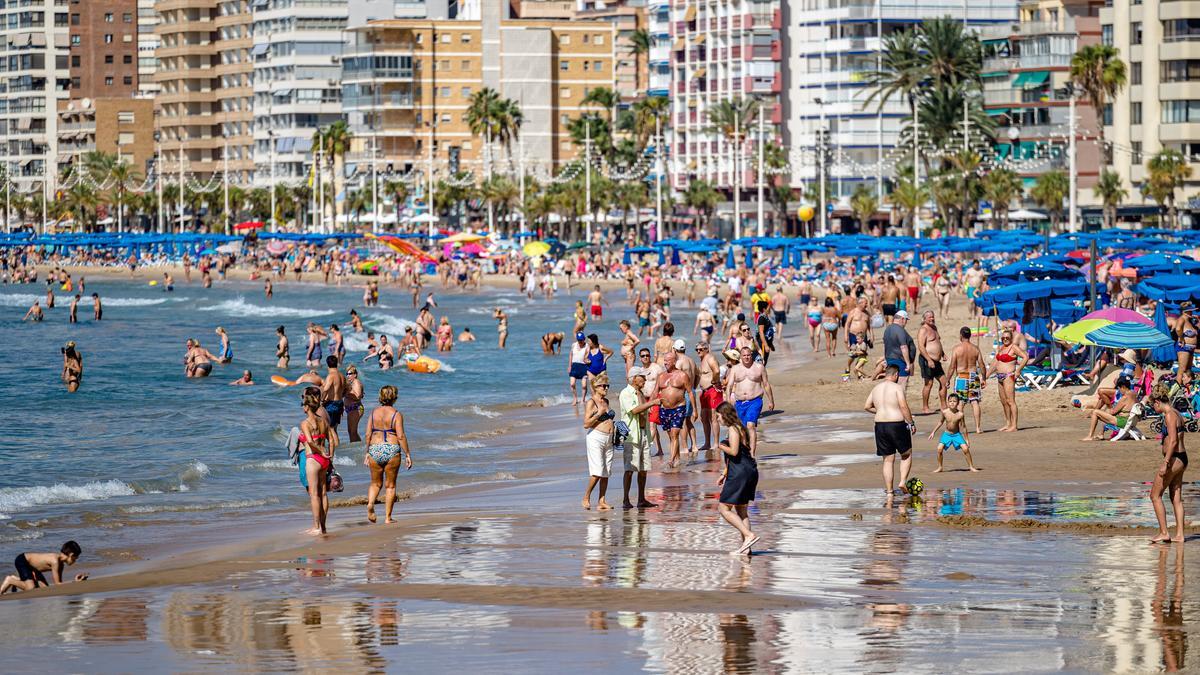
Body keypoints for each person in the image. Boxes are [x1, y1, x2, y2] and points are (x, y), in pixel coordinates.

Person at [715, 402, 760, 556]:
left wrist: (721, 446)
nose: (717, 419)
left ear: (725, 415)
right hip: (749, 470)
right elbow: (742, 453)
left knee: (723, 508)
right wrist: (724, 474)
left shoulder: (733, 429)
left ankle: (748, 535)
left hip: (740, 473)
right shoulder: (741, 428)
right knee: (742, 511)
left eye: (718, 416)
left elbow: (733, 452)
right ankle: (746, 547)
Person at [363, 385, 412, 524]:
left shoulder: (373, 413)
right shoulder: (396, 414)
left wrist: (367, 452)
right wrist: (407, 454)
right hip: (391, 448)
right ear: (394, 397)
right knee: (390, 486)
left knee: (375, 483)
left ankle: (370, 503)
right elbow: (401, 436)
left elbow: (367, 434)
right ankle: (388, 518)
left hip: (375, 448)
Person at [1147, 382, 1188, 544]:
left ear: (1157, 402)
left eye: (1153, 405)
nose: (1153, 408)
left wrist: (1165, 462)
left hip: (1174, 459)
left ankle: (1164, 532)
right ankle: (1180, 535)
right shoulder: (1177, 413)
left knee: (1154, 495)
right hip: (1182, 458)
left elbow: (1172, 441)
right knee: (1176, 498)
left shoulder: (1169, 415)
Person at [865, 364, 915, 495]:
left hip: (880, 425)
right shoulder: (897, 387)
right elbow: (903, 407)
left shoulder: (876, 388)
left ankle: (889, 491)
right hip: (896, 424)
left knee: (887, 459)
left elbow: (867, 406)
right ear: (896, 375)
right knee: (906, 453)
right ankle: (903, 481)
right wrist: (911, 423)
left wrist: (881, 410)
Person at [620, 368, 660, 509]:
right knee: (630, 469)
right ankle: (625, 500)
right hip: (631, 435)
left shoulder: (641, 393)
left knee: (644, 469)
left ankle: (641, 499)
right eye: (642, 377)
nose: (645, 379)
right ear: (634, 378)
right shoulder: (625, 393)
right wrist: (652, 403)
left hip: (643, 433)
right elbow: (635, 410)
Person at [725, 346, 774, 457]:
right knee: (742, 429)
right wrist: (728, 401)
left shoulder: (759, 367)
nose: (746, 357)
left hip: (755, 401)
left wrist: (771, 400)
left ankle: (752, 453)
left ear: (751, 355)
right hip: (739, 403)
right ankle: (744, 452)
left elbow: (766, 384)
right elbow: (729, 386)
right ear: (740, 357)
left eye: (748, 355)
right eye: (744, 355)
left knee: (751, 426)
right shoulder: (735, 369)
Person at [299, 388, 336, 535]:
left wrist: (320, 451)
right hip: (324, 460)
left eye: (303, 404)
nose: (302, 407)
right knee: (323, 493)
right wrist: (329, 455)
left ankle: (316, 527)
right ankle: (323, 526)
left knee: (314, 494)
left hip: (313, 459)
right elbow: (332, 440)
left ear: (307, 407)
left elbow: (309, 441)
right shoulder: (322, 421)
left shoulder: (305, 423)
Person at [652, 351, 696, 468]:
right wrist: (650, 406)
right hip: (664, 409)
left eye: (668, 360)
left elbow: (690, 393)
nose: (665, 362)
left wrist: (695, 410)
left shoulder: (682, 375)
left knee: (675, 434)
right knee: (670, 435)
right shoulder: (661, 376)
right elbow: (655, 392)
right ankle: (677, 458)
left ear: (674, 361)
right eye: (664, 360)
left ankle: (671, 460)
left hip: (679, 408)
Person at [582, 374, 616, 510]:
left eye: (607, 385)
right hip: (596, 437)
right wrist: (598, 413)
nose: (606, 388)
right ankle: (586, 496)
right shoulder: (591, 402)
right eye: (603, 386)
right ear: (595, 387)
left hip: (609, 439)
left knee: (606, 471)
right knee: (597, 471)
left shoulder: (606, 401)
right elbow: (586, 424)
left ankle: (602, 501)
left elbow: (608, 419)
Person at [0, 541, 86, 594]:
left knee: (44, 590)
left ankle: (16, 579)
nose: (75, 561)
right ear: (71, 555)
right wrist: (75, 582)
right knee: (30, 588)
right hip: (23, 561)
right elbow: (58, 585)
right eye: (75, 558)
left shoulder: (61, 565)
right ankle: (10, 580)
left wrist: (75, 582)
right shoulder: (55, 561)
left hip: (33, 569)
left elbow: (59, 584)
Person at [946, 326, 987, 434]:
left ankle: (959, 428)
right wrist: (984, 378)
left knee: (960, 403)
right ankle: (978, 428)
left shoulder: (957, 349)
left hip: (962, 377)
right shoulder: (975, 348)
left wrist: (947, 379)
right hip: (973, 376)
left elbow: (952, 367)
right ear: (970, 336)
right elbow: (982, 365)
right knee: (975, 402)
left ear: (961, 335)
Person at [928, 393, 979, 472]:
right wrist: (933, 432)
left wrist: (967, 439)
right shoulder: (945, 412)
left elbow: (964, 427)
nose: (952, 403)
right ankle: (940, 467)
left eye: (954, 401)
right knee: (939, 449)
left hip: (956, 435)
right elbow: (940, 422)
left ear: (958, 403)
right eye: (950, 401)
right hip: (947, 434)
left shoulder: (960, 414)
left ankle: (971, 466)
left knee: (965, 449)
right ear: (948, 402)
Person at [991, 329, 1028, 432]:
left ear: (1011, 338)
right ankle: (1008, 423)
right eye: (1003, 338)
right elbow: (995, 363)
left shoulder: (1014, 347)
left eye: (1007, 338)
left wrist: (1018, 370)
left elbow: (1025, 357)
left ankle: (1014, 425)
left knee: (1010, 401)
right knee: (1004, 402)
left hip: (1009, 376)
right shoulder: (1001, 348)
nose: (1005, 339)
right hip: (999, 377)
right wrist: (986, 375)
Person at [916, 311, 947, 413]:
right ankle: (925, 407)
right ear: (924, 319)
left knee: (944, 382)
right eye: (929, 317)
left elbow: (937, 342)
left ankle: (944, 406)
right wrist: (929, 360)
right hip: (927, 359)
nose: (932, 319)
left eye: (932, 317)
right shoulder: (923, 330)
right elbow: (921, 346)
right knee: (929, 383)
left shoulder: (934, 328)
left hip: (936, 361)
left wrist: (943, 353)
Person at [696, 340, 724, 451]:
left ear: (706, 349)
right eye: (697, 350)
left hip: (713, 390)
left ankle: (716, 443)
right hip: (704, 392)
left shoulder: (710, 358)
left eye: (700, 349)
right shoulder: (702, 360)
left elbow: (716, 371)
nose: (698, 351)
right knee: (704, 418)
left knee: (714, 418)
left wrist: (714, 381)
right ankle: (707, 443)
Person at [883, 310, 916, 387]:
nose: (906, 322)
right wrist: (908, 364)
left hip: (890, 359)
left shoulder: (888, 329)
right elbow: (903, 347)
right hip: (900, 361)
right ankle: (900, 399)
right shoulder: (900, 330)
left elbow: (886, 345)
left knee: (891, 384)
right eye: (906, 320)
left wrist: (885, 359)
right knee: (901, 385)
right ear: (902, 319)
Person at [321, 355, 347, 435]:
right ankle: (336, 447)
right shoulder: (342, 376)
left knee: (330, 430)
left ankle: (334, 447)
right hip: (340, 403)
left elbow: (325, 389)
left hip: (331, 404)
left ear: (327, 365)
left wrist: (322, 400)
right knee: (334, 429)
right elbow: (346, 390)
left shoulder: (331, 376)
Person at [344, 364, 365, 442]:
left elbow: (358, 396)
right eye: (347, 374)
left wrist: (346, 393)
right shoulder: (351, 383)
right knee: (351, 432)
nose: (348, 376)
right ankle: (357, 446)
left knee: (352, 432)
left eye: (350, 374)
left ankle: (356, 447)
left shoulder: (356, 382)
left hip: (356, 408)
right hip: (351, 408)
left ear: (355, 375)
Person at [568, 331, 590, 404]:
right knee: (572, 384)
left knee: (584, 385)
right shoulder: (574, 345)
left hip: (583, 366)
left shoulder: (587, 346)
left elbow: (589, 356)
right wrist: (569, 366)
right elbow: (571, 355)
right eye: (579, 340)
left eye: (581, 340)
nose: (580, 341)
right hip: (574, 366)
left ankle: (583, 399)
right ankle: (575, 398)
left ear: (584, 339)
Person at [755, 300, 775, 366]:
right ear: (764, 309)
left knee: (764, 361)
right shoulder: (761, 318)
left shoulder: (766, 317)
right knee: (762, 362)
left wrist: (771, 344)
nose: (770, 309)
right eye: (768, 307)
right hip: (762, 343)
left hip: (766, 342)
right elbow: (761, 332)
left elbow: (768, 332)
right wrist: (766, 345)